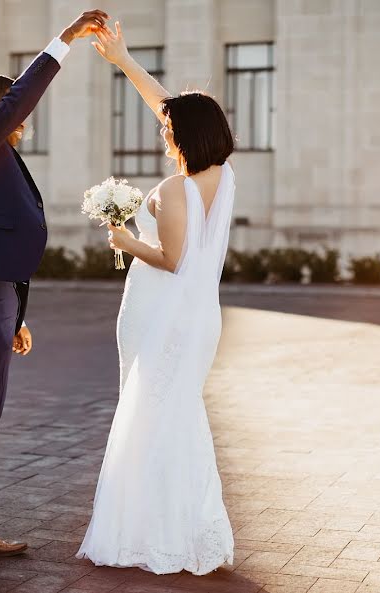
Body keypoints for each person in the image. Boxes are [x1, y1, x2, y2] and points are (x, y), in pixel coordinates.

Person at [0, 9, 110, 583]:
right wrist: (65, 41)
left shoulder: (3, 160)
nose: (21, 124)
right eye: (13, 113)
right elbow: (16, 101)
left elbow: (8, 237)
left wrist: (17, 317)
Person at [76, 22, 236, 575]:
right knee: (177, 417)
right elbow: (170, 104)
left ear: (183, 136)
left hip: (164, 317)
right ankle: (189, 531)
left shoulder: (174, 189)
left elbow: (171, 259)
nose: (162, 133)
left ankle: (147, 535)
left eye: (169, 130)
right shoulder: (223, 177)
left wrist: (125, 240)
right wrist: (123, 60)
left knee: (149, 419)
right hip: (200, 321)